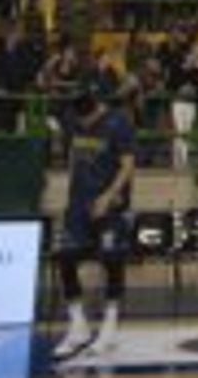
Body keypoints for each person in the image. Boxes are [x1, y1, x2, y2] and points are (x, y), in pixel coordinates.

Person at [52, 90, 137, 359]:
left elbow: (128, 165)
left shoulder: (119, 122)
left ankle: (109, 328)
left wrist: (110, 195)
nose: (84, 125)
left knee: (112, 260)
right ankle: (78, 327)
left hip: (109, 205)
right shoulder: (73, 118)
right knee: (65, 258)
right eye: (80, 121)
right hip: (78, 203)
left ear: (99, 108)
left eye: (89, 119)